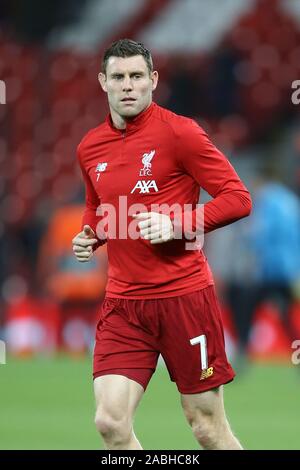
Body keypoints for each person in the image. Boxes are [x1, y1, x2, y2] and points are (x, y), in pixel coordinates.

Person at [72, 39, 252, 450]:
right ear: (103, 82)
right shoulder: (89, 147)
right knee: (110, 424)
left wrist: (178, 223)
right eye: (118, 77)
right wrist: (90, 236)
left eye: (137, 76)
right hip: (124, 306)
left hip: (184, 300)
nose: (128, 85)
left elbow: (238, 199)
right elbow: (96, 205)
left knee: (206, 427)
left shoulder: (181, 133)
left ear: (153, 80)